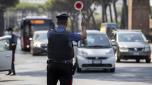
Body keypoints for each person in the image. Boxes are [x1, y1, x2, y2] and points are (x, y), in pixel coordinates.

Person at [47, 13, 86, 85]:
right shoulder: (69, 35)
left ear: (57, 23)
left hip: (52, 66)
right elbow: (84, 36)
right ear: (66, 23)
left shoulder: (50, 34)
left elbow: (50, 31)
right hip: (65, 67)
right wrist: (83, 26)